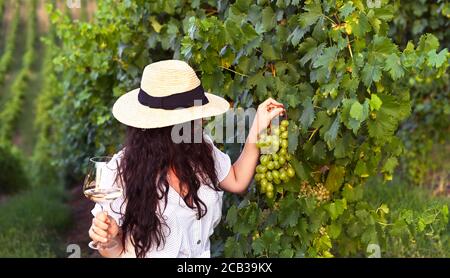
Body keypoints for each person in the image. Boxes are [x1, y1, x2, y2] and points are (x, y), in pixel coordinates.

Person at [88, 59, 285, 258]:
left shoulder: (200, 150)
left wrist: (256, 130)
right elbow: (113, 250)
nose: (204, 119)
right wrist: (110, 238)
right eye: (196, 116)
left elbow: (236, 180)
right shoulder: (121, 170)